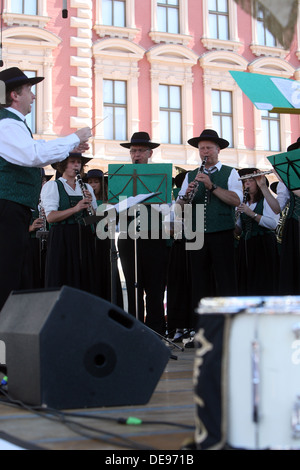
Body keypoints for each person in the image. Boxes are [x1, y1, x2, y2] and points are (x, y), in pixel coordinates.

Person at [0, 67, 91, 310]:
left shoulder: (14, 124)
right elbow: (33, 154)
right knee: (6, 274)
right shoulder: (7, 123)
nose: (34, 96)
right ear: (14, 96)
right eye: (29, 90)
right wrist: (73, 137)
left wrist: (69, 148)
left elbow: (38, 153)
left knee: (12, 273)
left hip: (13, 207)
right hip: (7, 206)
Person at [177, 129, 243, 346]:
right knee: (199, 283)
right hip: (196, 234)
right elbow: (179, 207)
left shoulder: (230, 173)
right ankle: (201, 332)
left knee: (226, 282)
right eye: (201, 148)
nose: (204, 151)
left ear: (218, 150)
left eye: (208, 147)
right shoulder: (189, 175)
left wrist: (211, 186)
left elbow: (235, 200)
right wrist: (185, 198)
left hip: (222, 232)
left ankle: (230, 330)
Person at [117, 132, 170, 336]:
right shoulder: (121, 177)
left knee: (155, 288)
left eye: (140, 151)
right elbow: (115, 208)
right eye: (133, 151)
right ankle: (134, 328)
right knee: (132, 286)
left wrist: (154, 202)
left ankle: (157, 329)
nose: (136, 155)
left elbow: (168, 211)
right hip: (128, 238)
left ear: (149, 153)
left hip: (155, 236)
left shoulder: (160, 176)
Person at [41, 153, 98, 295]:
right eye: (72, 162)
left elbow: (94, 219)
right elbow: (51, 217)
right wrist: (75, 208)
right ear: (63, 165)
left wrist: (91, 207)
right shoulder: (53, 186)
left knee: (85, 280)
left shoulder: (87, 188)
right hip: (62, 238)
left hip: (83, 237)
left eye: (79, 162)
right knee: (62, 278)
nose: (76, 165)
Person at [235, 168, 280, 295]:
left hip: (263, 244)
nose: (247, 184)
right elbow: (238, 231)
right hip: (246, 246)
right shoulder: (242, 202)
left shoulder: (266, 200)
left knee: (263, 280)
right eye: (245, 182)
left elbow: (273, 224)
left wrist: (252, 214)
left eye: (251, 181)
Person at [85, 169, 123, 307]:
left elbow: (110, 220)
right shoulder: (84, 199)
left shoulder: (109, 201)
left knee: (106, 273)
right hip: (89, 239)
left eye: (96, 182)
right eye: (90, 182)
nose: (93, 185)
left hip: (105, 240)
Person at [275, 138, 300, 295]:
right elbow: (277, 207)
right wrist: (263, 187)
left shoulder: (288, 178)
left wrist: (286, 178)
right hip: (294, 226)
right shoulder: (288, 177)